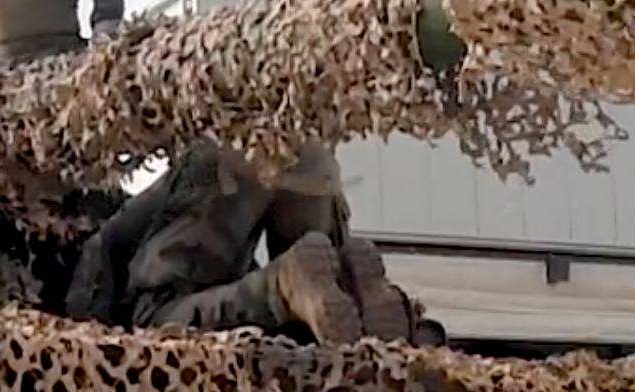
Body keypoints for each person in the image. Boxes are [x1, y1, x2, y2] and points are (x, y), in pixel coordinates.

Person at [65, 144, 419, 344]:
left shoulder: (78, 230)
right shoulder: (103, 202)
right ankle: (349, 287)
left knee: (155, 326)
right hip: (301, 155)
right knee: (313, 313)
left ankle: (283, 287)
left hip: (222, 171)